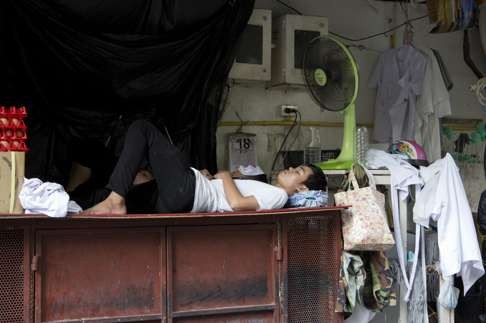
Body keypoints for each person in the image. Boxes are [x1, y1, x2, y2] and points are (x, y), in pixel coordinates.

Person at [84, 120, 327, 215]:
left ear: (302, 188)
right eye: (295, 167)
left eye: (298, 172)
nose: (291, 169)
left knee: (142, 130)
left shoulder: (278, 195)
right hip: (185, 197)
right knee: (128, 192)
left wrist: (224, 176)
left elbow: (237, 205)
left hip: (190, 192)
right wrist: (215, 179)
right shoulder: (270, 190)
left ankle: (115, 201)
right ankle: (105, 201)